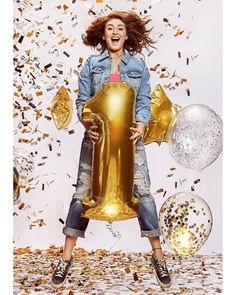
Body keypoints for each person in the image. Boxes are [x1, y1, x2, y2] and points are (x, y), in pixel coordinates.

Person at [51, 10, 171, 289]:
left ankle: (158, 256)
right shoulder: (91, 64)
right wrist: (86, 123)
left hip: (130, 142)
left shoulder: (138, 67)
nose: (114, 32)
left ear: (126, 35)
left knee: (142, 193)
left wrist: (141, 124)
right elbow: (83, 101)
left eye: (119, 28)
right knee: (83, 194)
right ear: (103, 36)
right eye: (109, 29)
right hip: (97, 142)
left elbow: (143, 100)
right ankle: (65, 259)